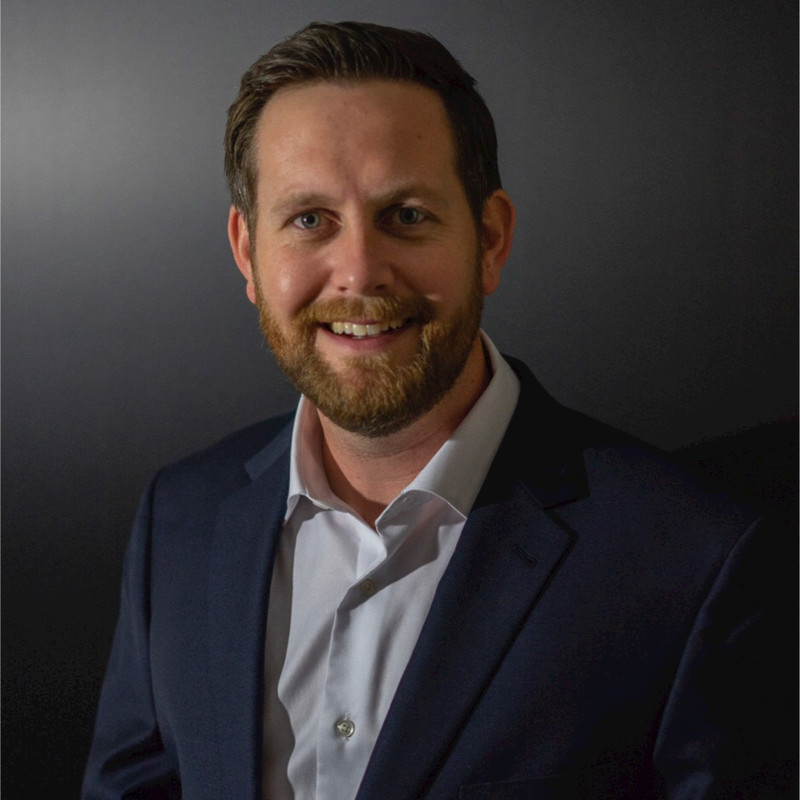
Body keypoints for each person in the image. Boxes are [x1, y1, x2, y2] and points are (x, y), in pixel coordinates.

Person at [82, 21, 794, 800]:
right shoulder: (180, 520)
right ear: (247, 251)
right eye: (310, 219)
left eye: (408, 215)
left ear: (489, 239)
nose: (359, 271)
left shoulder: (693, 561)